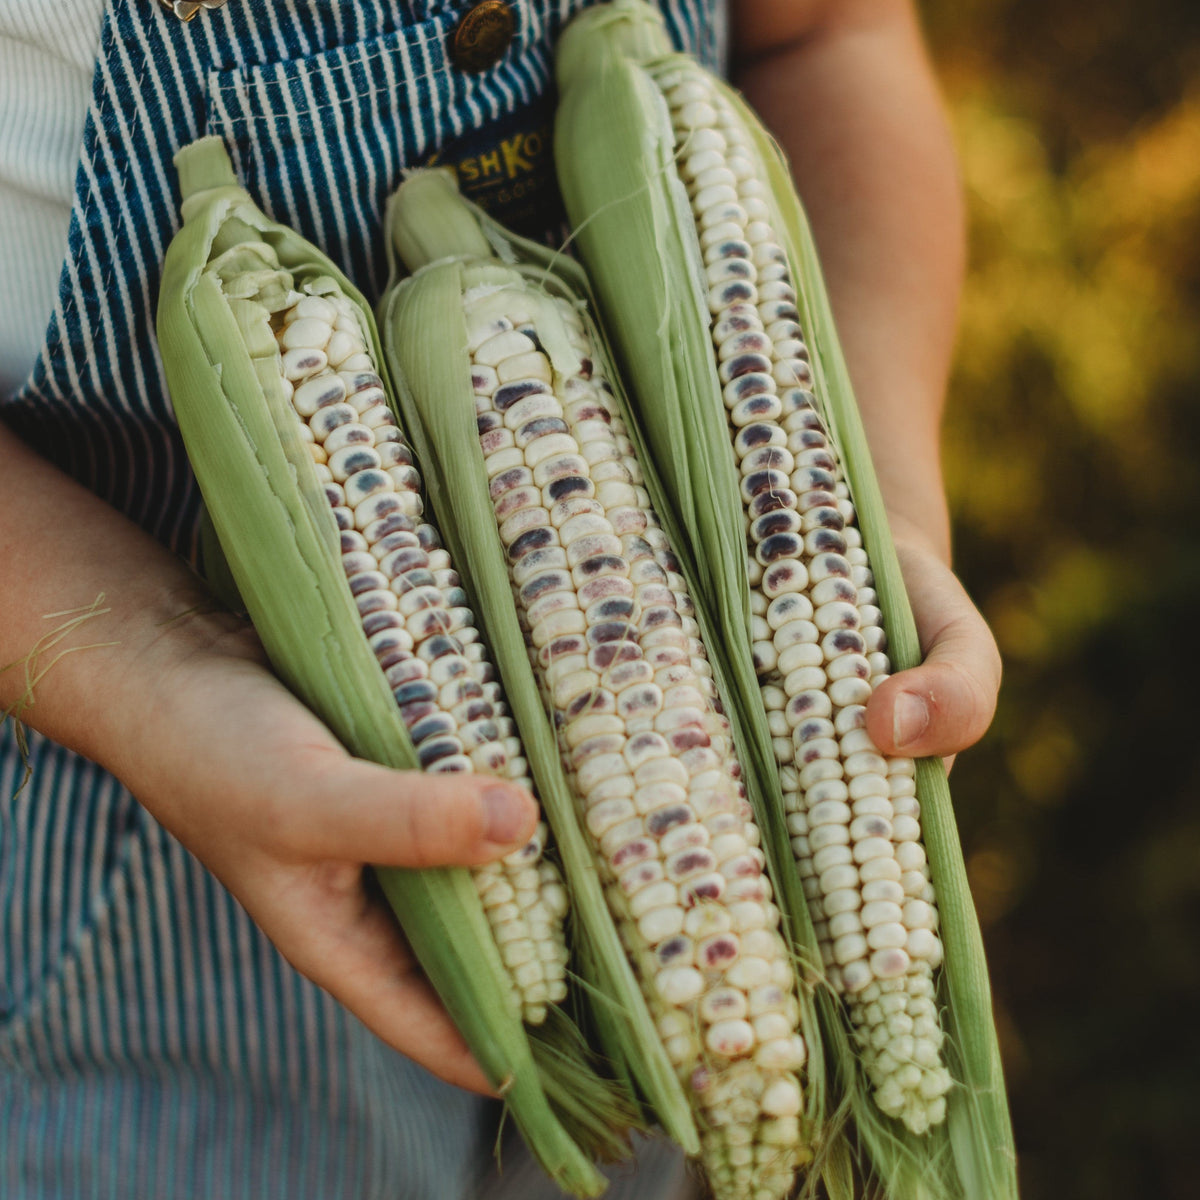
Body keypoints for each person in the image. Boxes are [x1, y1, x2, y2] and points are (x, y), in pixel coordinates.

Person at [0, 0, 1001, 1196]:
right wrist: (147, 670)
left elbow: (828, 35)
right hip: (144, 875)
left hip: (701, 867)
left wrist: (865, 511)